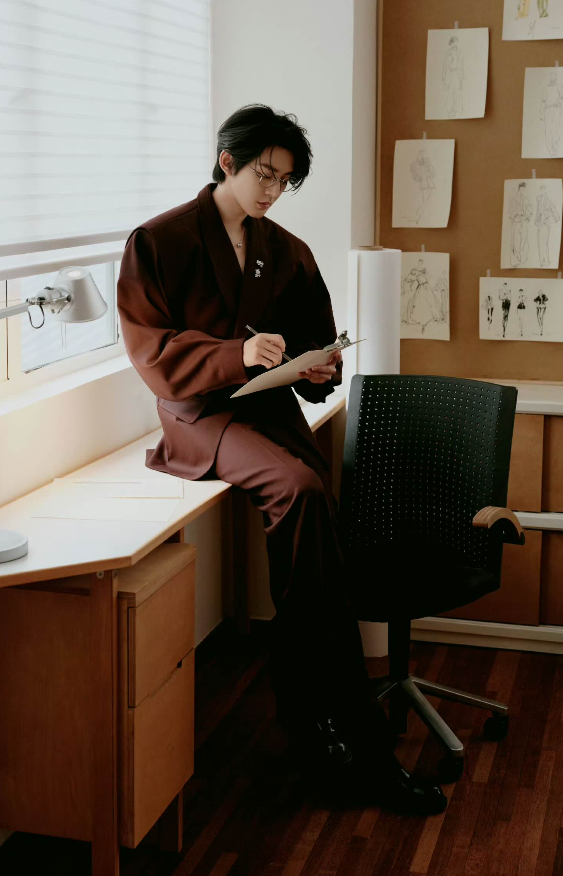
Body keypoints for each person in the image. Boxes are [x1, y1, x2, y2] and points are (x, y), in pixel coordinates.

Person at [116, 104, 447, 816]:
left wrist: (320, 368)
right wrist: (235, 353)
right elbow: (152, 352)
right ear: (227, 161)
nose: (272, 190)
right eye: (264, 174)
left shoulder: (286, 249)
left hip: (263, 410)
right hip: (199, 416)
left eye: (284, 180)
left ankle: (324, 719)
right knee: (301, 489)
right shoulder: (159, 240)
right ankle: (340, 728)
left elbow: (314, 338)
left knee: (315, 518)